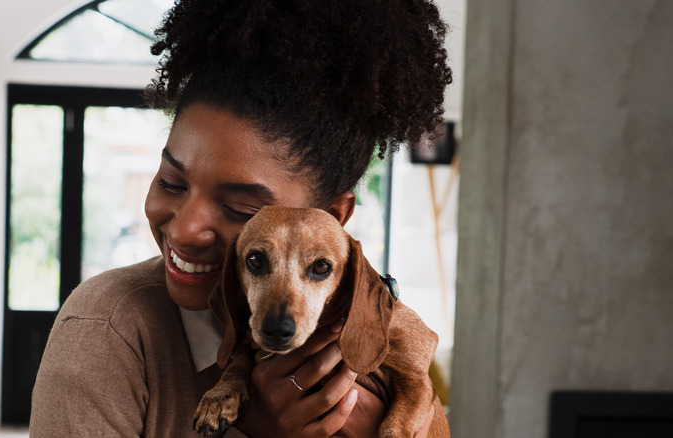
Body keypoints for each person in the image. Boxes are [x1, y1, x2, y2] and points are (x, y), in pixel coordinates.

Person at [30, 0, 451, 436]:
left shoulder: (370, 319)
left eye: (242, 210)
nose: (184, 230)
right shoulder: (106, 329)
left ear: (331, 216)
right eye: (171, 182)